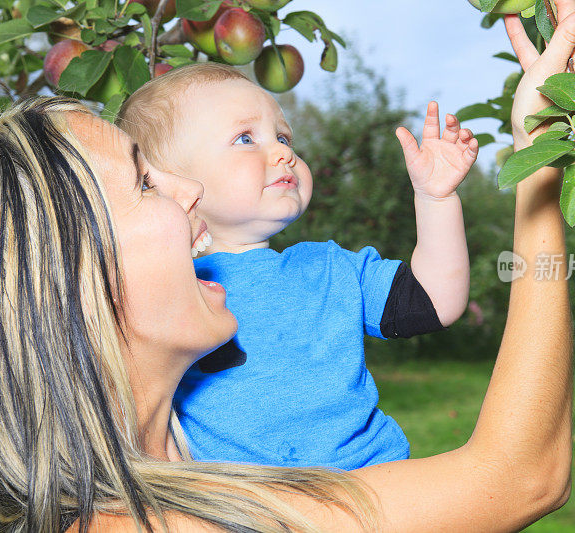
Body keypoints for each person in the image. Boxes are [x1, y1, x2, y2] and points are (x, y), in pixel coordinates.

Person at [0, 1, 575, 530]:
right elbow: (521, 475)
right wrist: (538, 161)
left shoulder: (164, 473)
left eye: (281, 135)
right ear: (65, 279)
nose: (188, 195)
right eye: (146, 182)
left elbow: (431, 297)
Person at [117, 61, 477, 469]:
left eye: (283, 136)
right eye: (245, 138)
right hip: (249, 508)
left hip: (372, 486)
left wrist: (435, 200)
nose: (284, 152)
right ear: (168, 181)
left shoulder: (328, 268)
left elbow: (434, 301)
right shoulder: (160, 291)